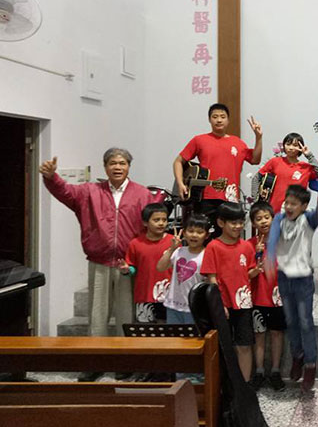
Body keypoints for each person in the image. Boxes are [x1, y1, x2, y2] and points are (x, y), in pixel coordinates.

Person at [39, 148, 162, 382]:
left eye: (122, 163)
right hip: (99, 261)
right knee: (97, 317)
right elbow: (65, 191)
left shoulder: (142, 194)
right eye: (113, 163)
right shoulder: (90, 191)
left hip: (128, 265)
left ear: (129, 167)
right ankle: (95, 362)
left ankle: (124, 362)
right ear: (105, 167)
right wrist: (51, 177)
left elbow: (154, 223)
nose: (118, 167)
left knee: (126, 316)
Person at [174, 103, 262, 233]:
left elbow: (255, 160)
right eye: (215, 117)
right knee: (205, 236)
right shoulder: (199, 140)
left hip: (230, 198)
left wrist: (258, 138)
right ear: (209, 120)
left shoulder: (238, 142)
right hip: (205, 198)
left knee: (230, 236)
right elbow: (178, 161)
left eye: (222, 116)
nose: (219, 120)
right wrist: (180, 183)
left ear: (228, 120)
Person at [265, 185, 318, 391]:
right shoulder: (279, 219)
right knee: (291, 321)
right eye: (287, 202)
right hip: (283, 277)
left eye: (294, 204)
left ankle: (311, 364)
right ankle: (298, 356)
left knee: (305, 322)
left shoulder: (308, 219)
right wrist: (270, 257)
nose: (288, 207)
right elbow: (272, 239)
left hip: (303, 279)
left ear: (304, 206)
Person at [200, 202, 256, 381]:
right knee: (221, 347)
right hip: (222, 305)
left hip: (243, 304)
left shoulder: (247, 246)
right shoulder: (213, 247)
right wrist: (219, 304)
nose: (238, 226)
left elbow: (248, 273)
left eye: (240, 222)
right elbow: (212, 278)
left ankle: (244, 386)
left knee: (244, 345)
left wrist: (258, 270)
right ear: (221, 223)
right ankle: (222, 384)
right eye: (233, 222)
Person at [246, 201, 286, 392]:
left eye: (266, 217)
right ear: (253, 223)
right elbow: (245, 274)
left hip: (279, 297)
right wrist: (256, 258)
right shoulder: (249, 245)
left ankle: (276, 371)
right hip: (257, 298)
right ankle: (260, 371)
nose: (263, 222)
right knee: (259, 334)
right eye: (258, 219)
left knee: (277, 333)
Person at [119, 202, 173, 324]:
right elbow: (133, 268)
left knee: (168, 331)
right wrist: (127, 270)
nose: (161, 223)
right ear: (145, 223)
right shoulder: (135, 244)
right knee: (146, 331)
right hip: (144, 296)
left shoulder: (173, 242)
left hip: (169, 296)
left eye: (164, 220)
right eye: (156, 220)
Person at [254, 132, 318, 213]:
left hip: (296, 213)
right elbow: (256, 178)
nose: (291, 148)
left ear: (300, 147)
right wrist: (256, 200)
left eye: (295, 145)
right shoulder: (275, 162)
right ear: (284, 145)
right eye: (288, 144)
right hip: (274, 211)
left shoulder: (306, 167)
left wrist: (309, 155)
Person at [157, 214, 208, 325]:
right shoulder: (179, 251)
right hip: (172, 306)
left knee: (192, 336)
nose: (194, 235)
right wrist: (172, 248)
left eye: (200, 232)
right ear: (184, 233)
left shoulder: (207, 255)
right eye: (190, 231)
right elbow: (160, 267)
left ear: (206, 235)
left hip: (194, 308)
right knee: (174, 336)